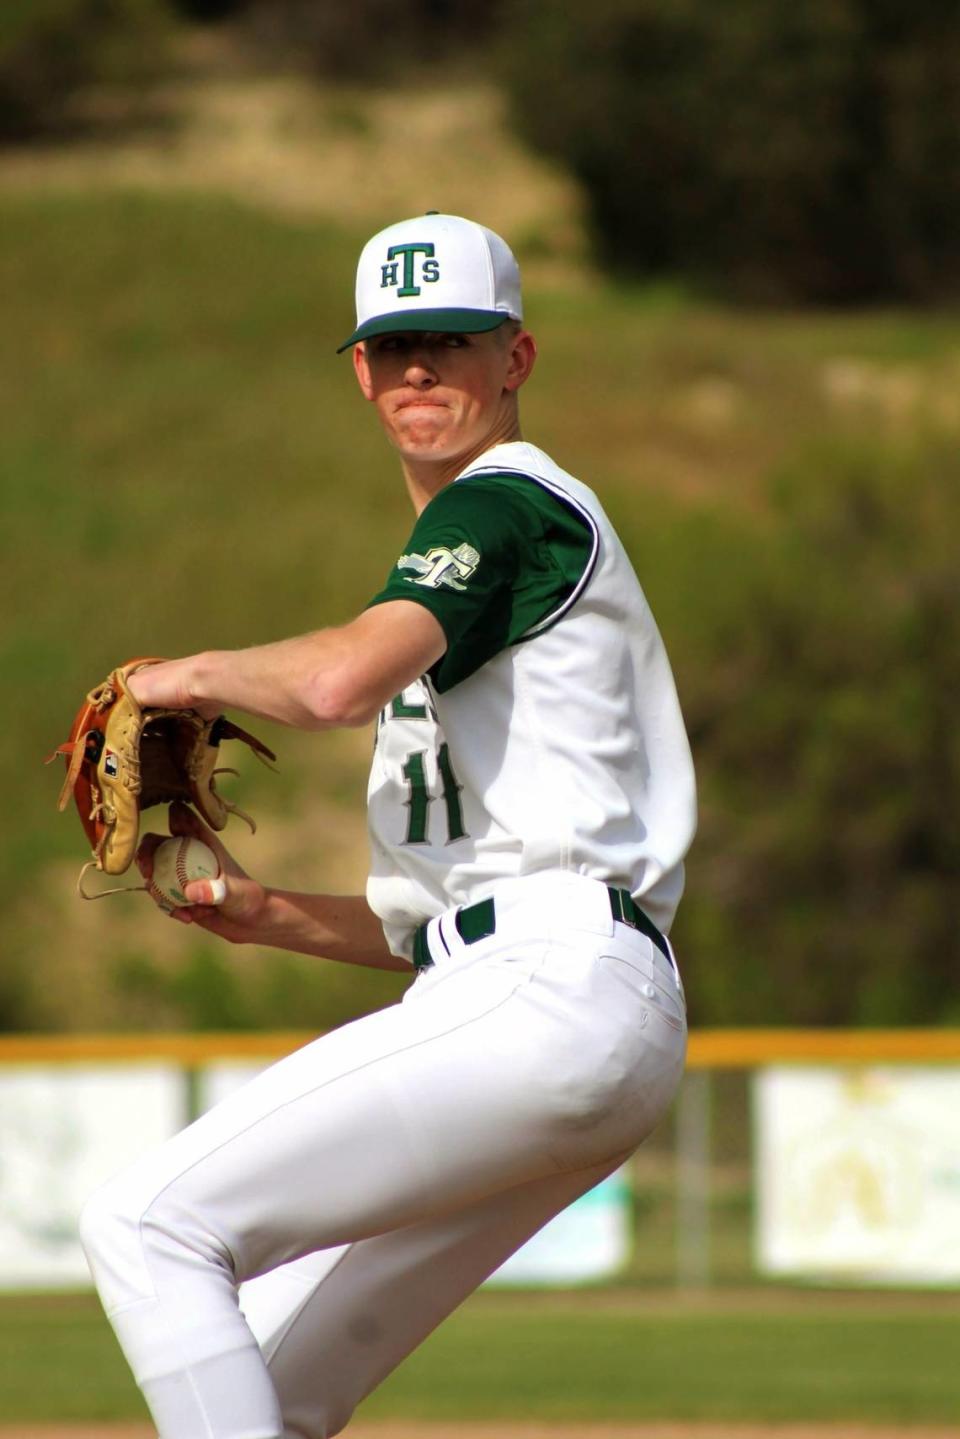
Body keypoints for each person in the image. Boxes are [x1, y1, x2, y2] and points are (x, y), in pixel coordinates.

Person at [79, 212, 697, 1439]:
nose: (422, 370)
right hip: (556, 999)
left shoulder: (508, 504)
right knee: (279, 1387)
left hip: (552, 990)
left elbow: (330, 685)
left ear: (514, 359)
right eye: (396, 344)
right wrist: (268, 919)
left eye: (453, 342)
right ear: (361, 370)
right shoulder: (473, 565)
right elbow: (454, 918)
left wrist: (173, 674)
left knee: (148, 1224)